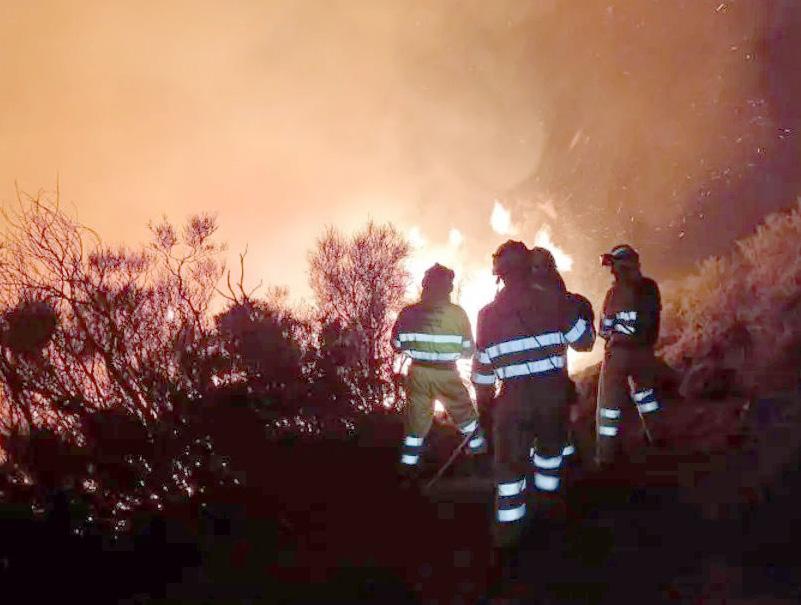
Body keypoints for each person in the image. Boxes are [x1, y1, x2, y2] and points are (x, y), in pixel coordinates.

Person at [472, 241, 595, 547]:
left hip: (510, 404)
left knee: (509, 475)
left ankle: (509, 540)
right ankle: (549, 522)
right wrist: (580, 312)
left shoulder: (487, 316)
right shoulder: (556, 302)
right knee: (549, 461)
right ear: (530, 267)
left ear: (499, 274)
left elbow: (483, 373)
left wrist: (485, 408)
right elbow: (585, 342)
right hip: (552, 399)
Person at [391, 263, 487, 480]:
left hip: (418, 374)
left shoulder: (408, 313)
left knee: (415, 425)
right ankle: (480, 460)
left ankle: (408, 471)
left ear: (425, 285)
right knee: (467, 418)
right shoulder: (458, 314)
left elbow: (396, 345)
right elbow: (468, 351)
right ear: (448, 288)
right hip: (447, 374)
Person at [595, 244, 662, 468]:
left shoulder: (614, 293)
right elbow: (654, 321)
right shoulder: (650, 287)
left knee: (608, 406)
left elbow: (604, 329)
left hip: (619, 354)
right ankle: (657, 437)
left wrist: (612, 333)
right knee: (646, 397)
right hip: (644, 352)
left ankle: (606, 456)